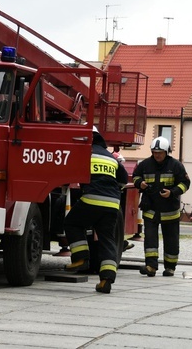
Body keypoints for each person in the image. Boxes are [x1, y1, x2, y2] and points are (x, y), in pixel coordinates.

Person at [63, 126, 128, 294]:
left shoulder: (85, 152)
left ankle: (80, 257)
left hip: (92, 198)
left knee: (72, 223)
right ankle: (106, 279)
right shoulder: (110, 157)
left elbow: (69, 174)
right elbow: (123, 179)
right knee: (107, 239)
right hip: (113, 203)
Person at [132, 136, 190, 277]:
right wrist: (140, 183)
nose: (157, 155)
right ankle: (151, 266)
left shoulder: (176, 166)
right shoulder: (145, 164)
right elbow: (135, 176)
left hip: (170, 210)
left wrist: (173, 192)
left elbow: (185, 183)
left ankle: (170, 267)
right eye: (154, 152)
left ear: (167, 152)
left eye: (160, 152)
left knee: (171, 240)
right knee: (150, 239)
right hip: (150, 209)